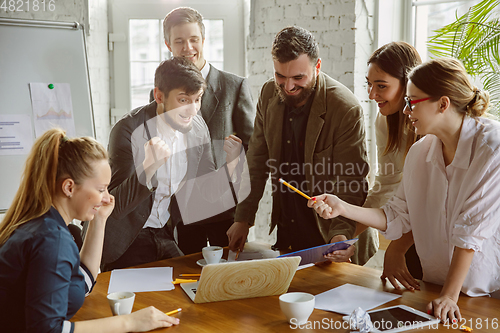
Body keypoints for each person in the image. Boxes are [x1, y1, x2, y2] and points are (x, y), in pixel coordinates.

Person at [309, 58, 500, 322]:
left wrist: (449, 295)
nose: (406, 110)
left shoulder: (492, 147)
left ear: (443, 104)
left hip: (487, 294)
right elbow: (397, 215)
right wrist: (343, 207)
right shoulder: (419, 153)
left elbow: (470, 231)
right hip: (436, 291)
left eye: (412, 102)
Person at [0, 128, 179, 332]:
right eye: (101, 189)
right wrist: (129, 322)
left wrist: (99, 220)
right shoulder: (52, 239)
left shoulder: (43, 224)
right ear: (69, 188)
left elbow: (82, 284)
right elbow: (48, 330)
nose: (107, 197)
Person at [227, 26, 369, 260]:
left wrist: (341, 236)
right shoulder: (268, 94)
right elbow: (256, 161)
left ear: (318, 66)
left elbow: (351, 180)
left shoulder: (345, 107)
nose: (289, 87)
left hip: (330, 236)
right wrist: (242, 218)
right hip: (289, 232)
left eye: (298, 78)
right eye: (280, 76)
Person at [100, 57, 242, 271]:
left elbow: (205, 193)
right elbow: (115, 206)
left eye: (198, 99)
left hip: (164, 233)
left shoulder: (197, 127)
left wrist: (230, 167)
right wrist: (148, 169)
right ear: (159, 96)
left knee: (194, 284)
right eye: (184, 100)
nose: (193, 111)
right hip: (126, 239)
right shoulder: (128, 130)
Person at [155, 7, 255, 255]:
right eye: (179, 41)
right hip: (182, 210)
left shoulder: (235, 86)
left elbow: (252, 150)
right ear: (168, 44)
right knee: (185, 280)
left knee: (229, 279)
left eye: (193, 39)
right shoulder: (161, 91)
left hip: (225, 209)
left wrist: (244, 212)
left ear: (203, 40)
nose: (187, 47)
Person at [352, 42, 421, 268]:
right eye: (369, 85)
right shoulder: (384, 122)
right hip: (412, 234)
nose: (372, 95)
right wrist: (349, 237)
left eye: (381, 86)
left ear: (408, 83)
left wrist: (398, 246)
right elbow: (385, 185)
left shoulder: (430, 126)